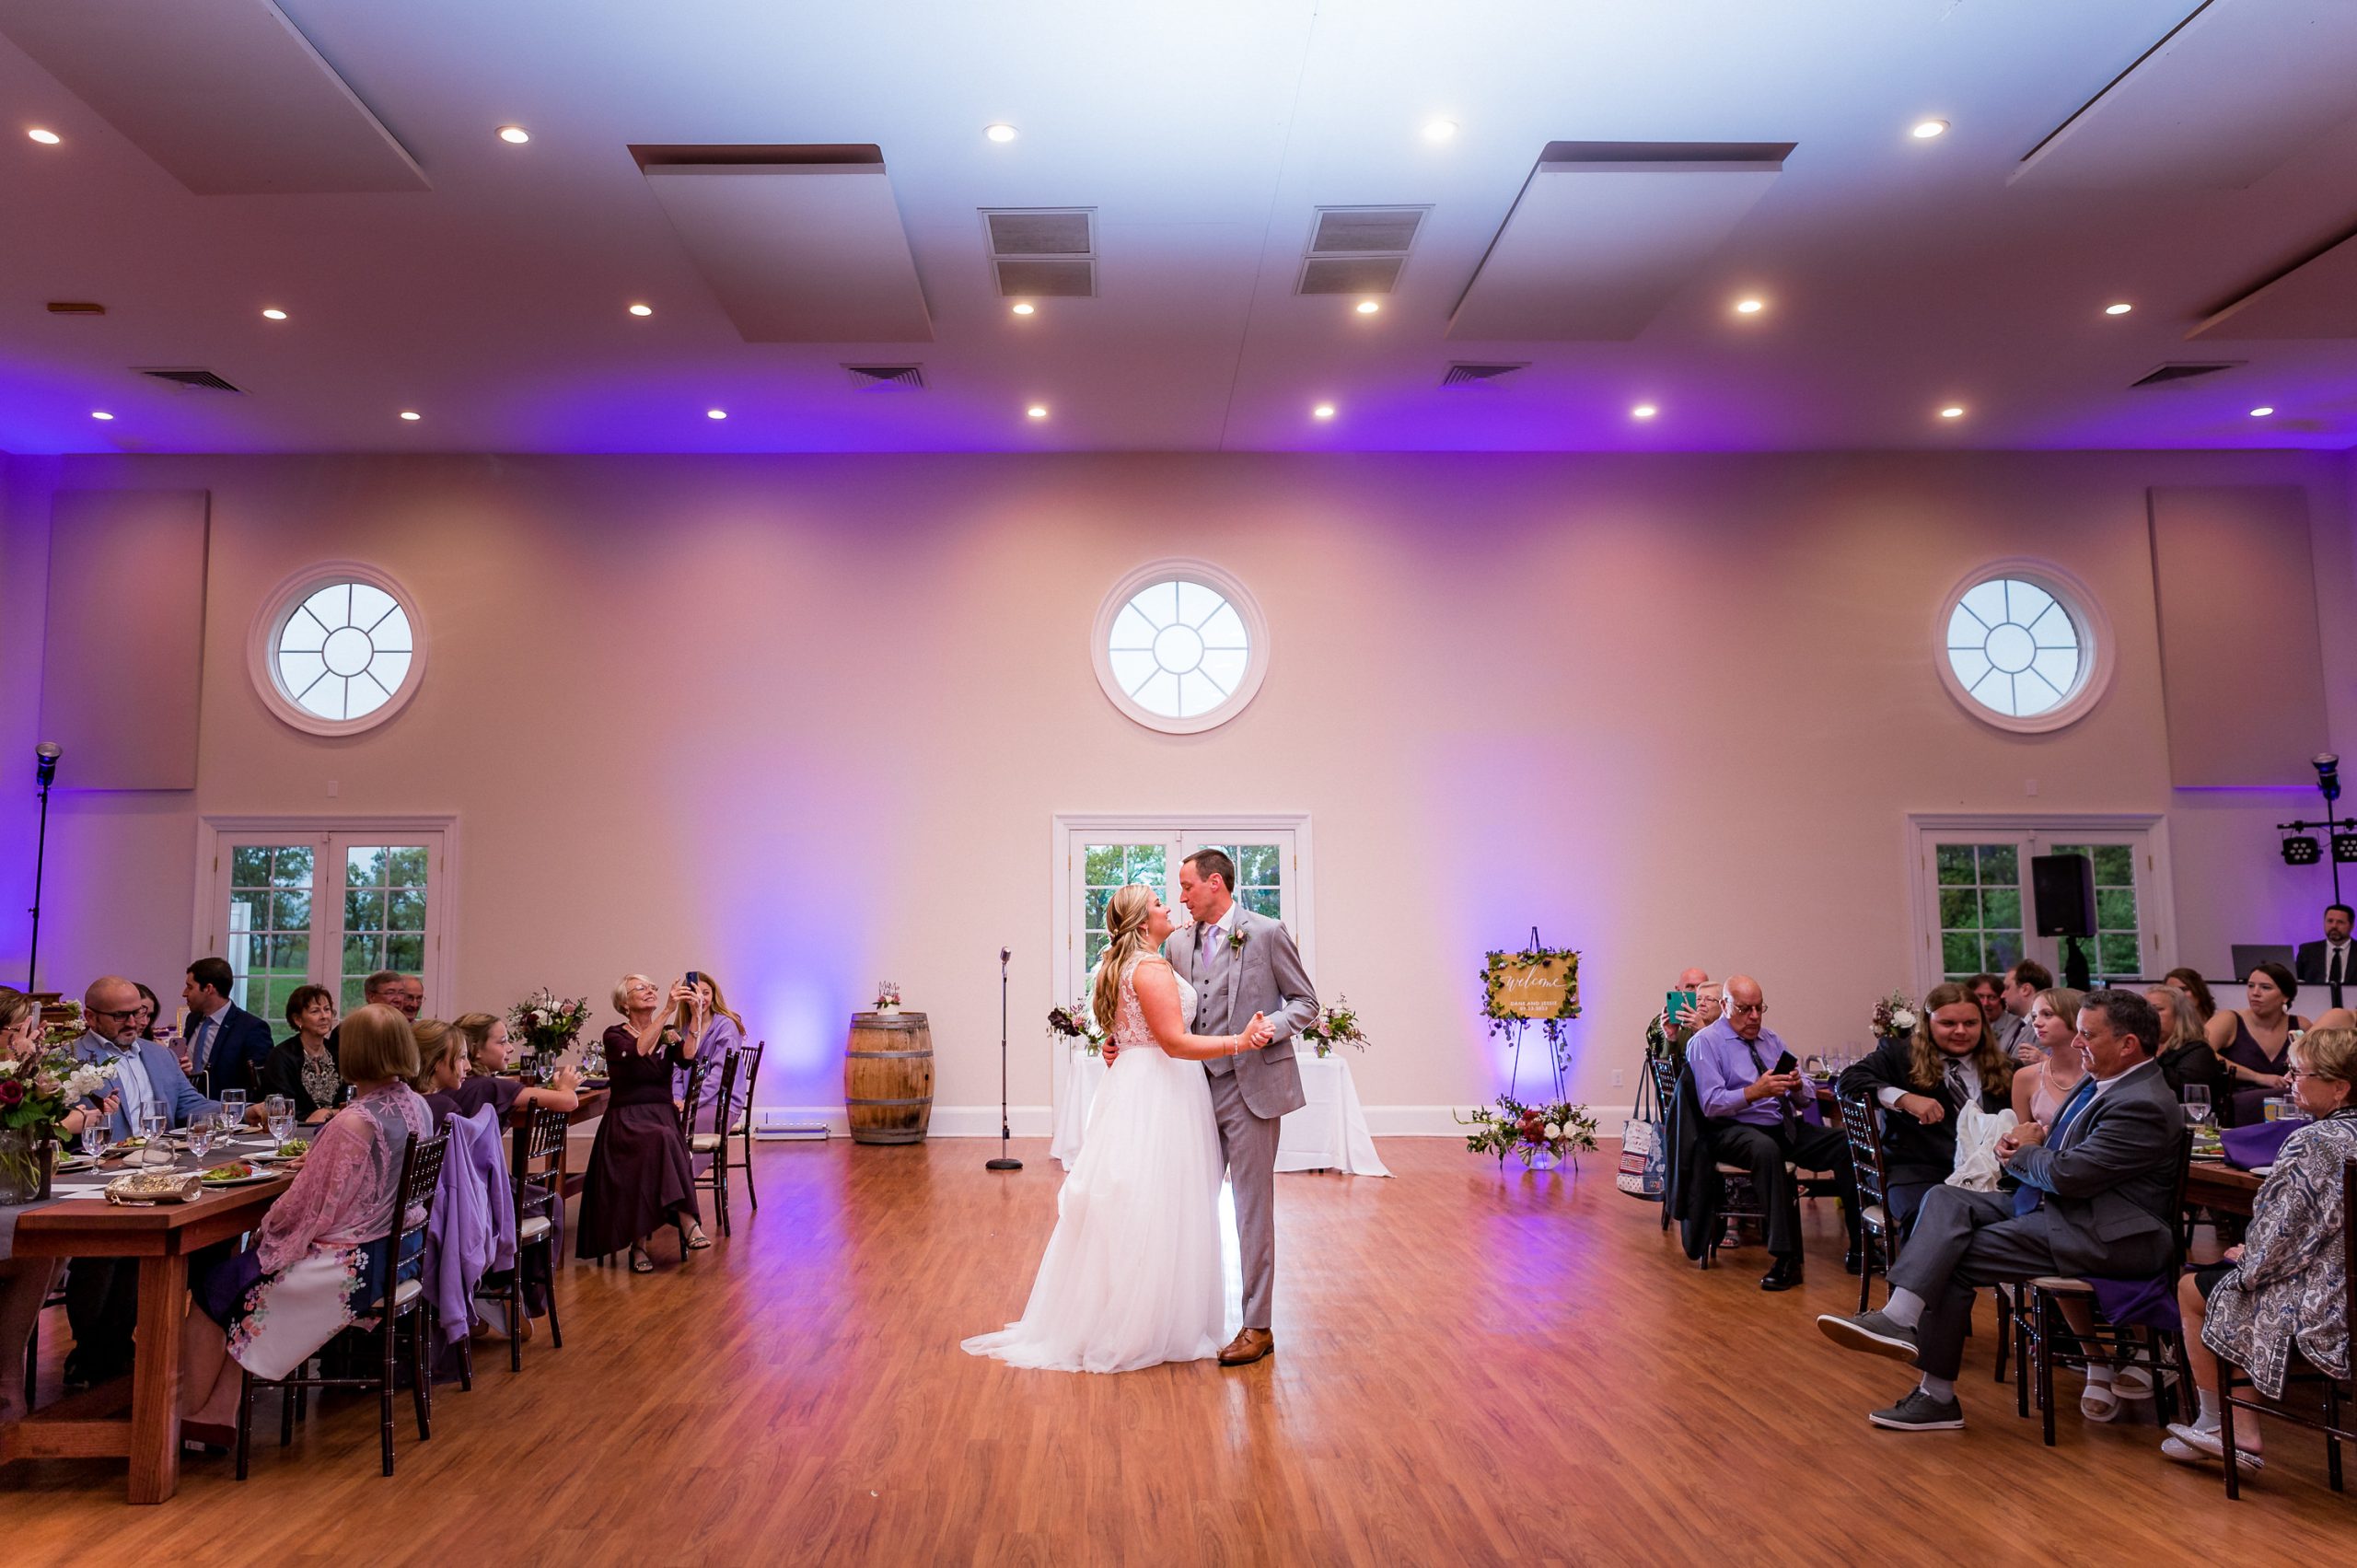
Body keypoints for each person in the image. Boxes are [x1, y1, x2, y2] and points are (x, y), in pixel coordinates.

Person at [1817, 989, 2180, 1431]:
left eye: (2088, 1034)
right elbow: (2069, 1156)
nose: (2078, 1043)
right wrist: (2028, 1140)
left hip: (2101, 1233)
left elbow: (2070, 1175)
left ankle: (1936, 1395)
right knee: (1944, 1197)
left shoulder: (2141, 1101)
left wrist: (2023, 1153)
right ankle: (1900, 1318)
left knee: (1949, 1256)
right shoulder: (2106, 1079)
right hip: (2060, 1209)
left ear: (2128, 1044)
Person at [964, 883, 1270, 1372]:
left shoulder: (1134, 962)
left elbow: (1132, 1025)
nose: (1169, 905)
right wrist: (1242, 1041)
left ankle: (1149, 1313)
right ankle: (1141, 1324)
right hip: (1159, 1088)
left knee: (1142, 1198)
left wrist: (1117, 1042)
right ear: (1143, 922)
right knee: (1152, 1202)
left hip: (1140, 1081)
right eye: (1157, 903)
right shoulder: (1148, 967)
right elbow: (1172, 1042)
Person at [176, 1005, 435, 1443]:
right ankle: (219, 1407)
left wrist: (265, 1230)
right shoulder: (416, 1106)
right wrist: (319, 1163)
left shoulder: (353, 1120)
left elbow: (306, 1210)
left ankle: (185, 1412)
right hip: (399, 1251)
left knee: (213, 1287)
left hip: (352, 1264)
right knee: (235, 1281)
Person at [1110, 848, 1317, 1367]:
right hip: (1189, 1093)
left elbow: (1306, 1003)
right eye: (1175, 891)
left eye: (1186, 887)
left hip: (1251, 1092)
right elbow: (1157, 1014)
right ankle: (1177, 1318)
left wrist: (1272, 1026)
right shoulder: (1176, 944)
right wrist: (1118, 1043)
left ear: (1216, 884)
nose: (1179, 898)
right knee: (1184, 1205)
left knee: (1252, 1210)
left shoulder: (1266, 932)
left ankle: (1258, 1326)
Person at [2163, 1025, 2357, 1471]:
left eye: (2300, 1072)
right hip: (2345, 1281)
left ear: (2340, 1087)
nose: (2290, 1080)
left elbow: (2282, 1235)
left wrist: (2249, 1259)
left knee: (2196, 1288)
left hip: (2329, 1298)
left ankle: (2226, 1428)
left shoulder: (2316, 1141)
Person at [62, 976, 255, 1387]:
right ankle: (93, 1352)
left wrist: (243, 1112)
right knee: (107, 1254)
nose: (133, 1021)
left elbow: (190, 1105)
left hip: (162, 1172)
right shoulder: (68, 1059)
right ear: (90, 1016)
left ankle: (175, 1353)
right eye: (121, 1015)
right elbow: (63, 1127)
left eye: (139, 1012)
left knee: (212, 1239)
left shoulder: (157, 1054)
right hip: (100, 1178)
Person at [1688, 974, 1860, 1290]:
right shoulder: (1705, 1043)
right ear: (1725, 1006)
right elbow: (1711, 1104)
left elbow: (1806, 1091)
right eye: (1745, 1009)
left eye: (1759, 1008)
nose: (1754, 1017)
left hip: (1782, 1126)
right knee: (1766, 1150)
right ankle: (1787, 1258)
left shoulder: (1771, 1039)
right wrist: (1755, 1091)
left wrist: (1797, 1085)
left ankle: (1862, 1246)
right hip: (1732, 1130)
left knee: (1846, 1143)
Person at [1, 988, 115, 1423]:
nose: (32, 1038)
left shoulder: (24, 1080)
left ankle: (8, 1373)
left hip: (14, 1197)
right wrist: (68, 1123)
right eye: (25, 1030)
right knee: (39, 1252)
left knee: (55, 1246)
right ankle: (8, 1378)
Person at [1839, 981, 2013, 1229]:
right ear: (1928, 1023)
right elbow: (1848, 1081)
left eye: (1971, 1024)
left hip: (1989, 1173)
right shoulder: (1898, 1054)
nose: (1961, 1031)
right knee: (1933, 1214)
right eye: (1948, 1024)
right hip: (1918, 1171)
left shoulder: (2006, 1068)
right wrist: (1904, 1098)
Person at [576, 976, 710, 1272]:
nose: (650, 991)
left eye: (652, 988)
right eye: (641, 988)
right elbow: (637, 1050)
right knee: (659, 1140)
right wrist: (666, 1011)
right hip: (626, 1119)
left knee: (658, 1143)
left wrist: (697, 1014)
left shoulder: (669, 1033)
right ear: (624, 1003)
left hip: (661, 1114)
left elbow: (688, 1057)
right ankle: (687, 1221)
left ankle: (639, 1245)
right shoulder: (614, 1035)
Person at [412, 1016, 578, 1125]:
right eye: (502, 1042)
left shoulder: (444, 1085)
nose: (511, 1048)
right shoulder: (489, 1086)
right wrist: (566, 1087)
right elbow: (568, 1101)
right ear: (476, 1049)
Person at [2207, 962, 2311, 1127]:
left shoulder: (2300, 1025)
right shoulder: (2229, 1020)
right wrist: (2258, 1077)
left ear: (2285, 996)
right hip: (2238, 1109)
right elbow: (2202, 1054)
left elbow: (2320, 1063)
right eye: (2250, 986)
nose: (2255, 993)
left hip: (2289, 1112)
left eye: (2265, 987)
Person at [261, 984, 343, 1123]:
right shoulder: (281, 1056)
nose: (324, 1016)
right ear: (298, 1019)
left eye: (327, 1009)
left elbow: (352, 1102)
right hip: (296, 1132)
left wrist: (328, 1113)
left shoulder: (338, 1053)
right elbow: (280, 1108)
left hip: (337, 1128)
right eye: (315, 1011)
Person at [671, 973, 744, 1121]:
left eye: (706, 993)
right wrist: (677, 1099)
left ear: (713, 995)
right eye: (695, 993)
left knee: (672, 1128)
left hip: (720, 1103)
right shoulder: (683, 1029)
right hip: (687, 1101)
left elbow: (721, 1073)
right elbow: (677, 1070)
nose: (701, 999)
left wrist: (690, 1102)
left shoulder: (726, 1026)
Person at [2010, 988, 2085, 1127]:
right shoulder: (2024, 1078)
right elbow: (2023, 1140)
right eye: (2034, 1016)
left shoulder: (2104, 1074)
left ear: (2076, 1017)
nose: (2037, 1023)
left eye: (2047, 1014)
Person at [2146, 984, 2225, 1101]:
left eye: (2157, 1009)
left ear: (2180, 1015)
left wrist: (2145, 1059)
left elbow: (2186, 1096)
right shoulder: (2144, 1049)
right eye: (2145, 1010)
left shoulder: (2198, 1052)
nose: (2148, 1015)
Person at [323, 971, 423, 1058]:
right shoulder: (349, 1030)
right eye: (390, 993)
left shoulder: (407, 1029)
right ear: (371, 997)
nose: (398, 999)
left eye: (401, 993)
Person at [1646, 968, 1724, 1074]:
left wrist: (1702, 1031)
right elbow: (1666, 1075)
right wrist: (1671, 1037)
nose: (1696, 993)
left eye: (1708, 998)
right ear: (1678, 990)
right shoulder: (1677, 1027)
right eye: (1690, 987)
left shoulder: (1725, 1025)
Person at [2294, 903, 2355, 1014]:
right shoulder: (2307, 951)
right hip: (2314, 1008)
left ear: (2351, 926)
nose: (2334, 926)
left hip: (2352, 1010)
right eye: (2330, 921)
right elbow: (2298, 982)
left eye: (2340, 922)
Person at [1995, 960, 2052, 1063]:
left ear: (2025, 989)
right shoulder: (2013, 1023)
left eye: (2007, 988)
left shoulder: (2047, 1027)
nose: (2002, 995)